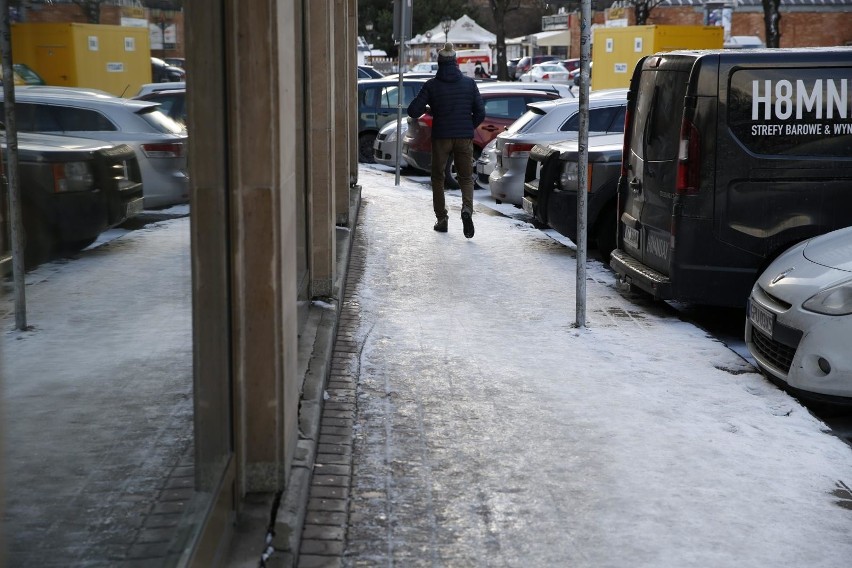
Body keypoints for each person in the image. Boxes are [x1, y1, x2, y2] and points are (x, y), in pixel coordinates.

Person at [407, 43, 485, 238]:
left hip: (441, 137)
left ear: (439, 62)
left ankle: (442, 219)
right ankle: (466, 209)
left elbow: (412, 111)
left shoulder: (432, 85)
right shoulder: (469, 84)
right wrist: (467, 125)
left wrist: (429, 109)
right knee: (466, 178)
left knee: (438, 178)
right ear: (456, 62)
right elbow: (481, 113)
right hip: (464, 137)